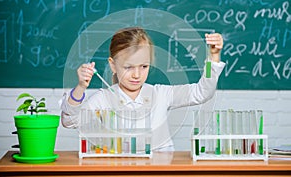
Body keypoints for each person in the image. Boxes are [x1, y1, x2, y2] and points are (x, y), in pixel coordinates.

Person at [60, 27, 225, 152]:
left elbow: (202, 93)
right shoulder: (103, 98)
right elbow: (69, 121)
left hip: (160, 171)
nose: (137, 75)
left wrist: (213, 59)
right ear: (113, 65)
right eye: (128, 67)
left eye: (144, 66)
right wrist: (81, 86)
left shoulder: (160, 94)